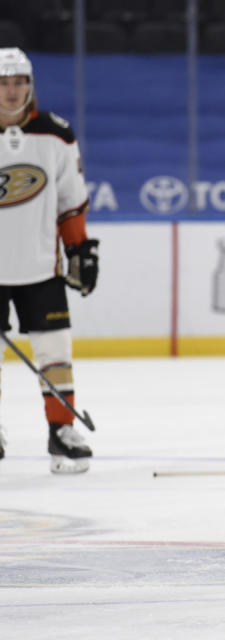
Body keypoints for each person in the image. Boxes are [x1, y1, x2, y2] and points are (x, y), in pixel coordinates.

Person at [0, 48, 98, 474]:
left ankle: (61, 432)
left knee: (55, 352)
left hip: (42, 267)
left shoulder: (56, 134)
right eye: (3, 83)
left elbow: (70, 202)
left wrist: (80, 249)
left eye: (18, 81)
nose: (11, 90)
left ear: (30, 85)